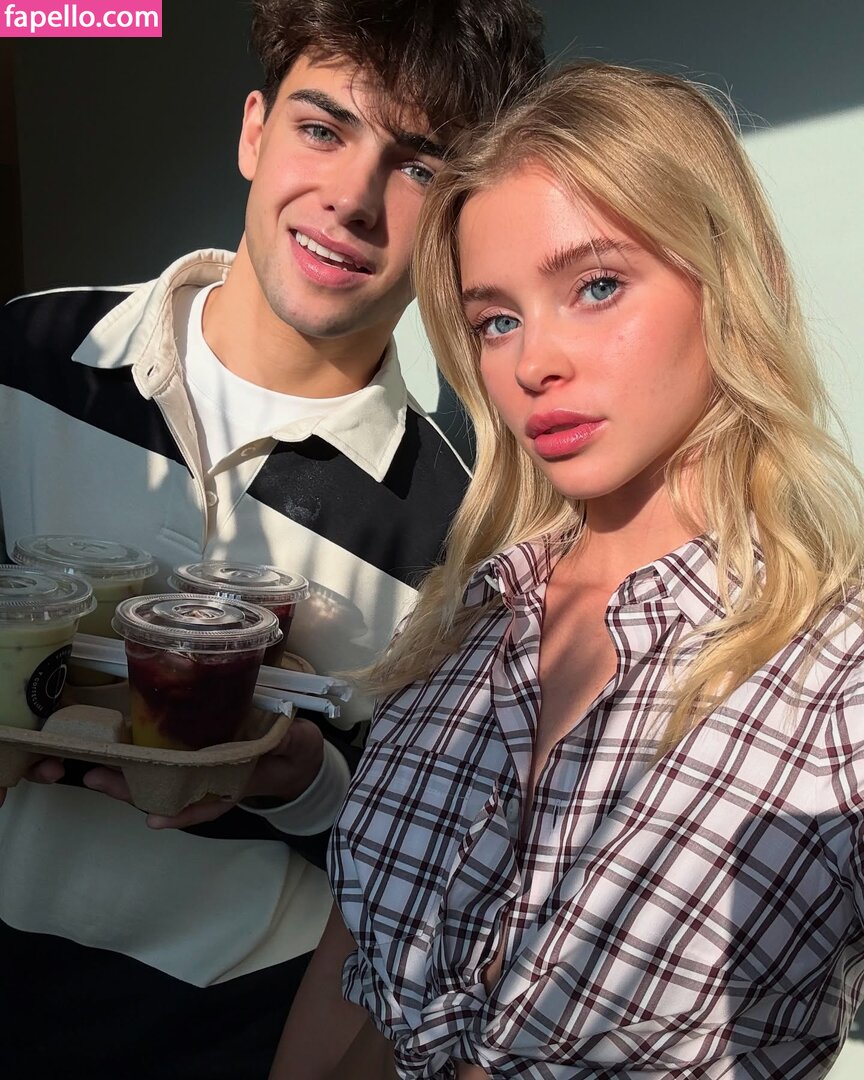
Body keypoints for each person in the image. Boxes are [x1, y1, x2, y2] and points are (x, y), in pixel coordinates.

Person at [274, 62, 864, 1079]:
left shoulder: (837, 682)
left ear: (734, 278)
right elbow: (353, 973)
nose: (532, 363)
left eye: (596, 286)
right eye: (496, 320)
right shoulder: (458, 625)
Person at [0, 2, 546, 1077]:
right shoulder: (27, 356)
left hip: (234, 1037)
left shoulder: (464, 530)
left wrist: (300, 779)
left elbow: (426, 866)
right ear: (254, 131)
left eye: (419, 166)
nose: (352, 198)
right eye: (322, 128)